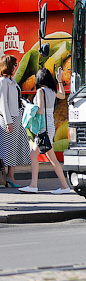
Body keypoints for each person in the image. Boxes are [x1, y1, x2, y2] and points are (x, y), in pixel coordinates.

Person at [19, 67, 71, 194]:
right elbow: (62, 95)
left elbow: (40, 110)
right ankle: (61, 186)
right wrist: (59, 80)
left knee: (42, 157)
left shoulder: (40, 91)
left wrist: (27, 105)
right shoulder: (52, 91)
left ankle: (36, 185)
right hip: (49, 127)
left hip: (44, 128)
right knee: (41, 156)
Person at [0, 54, 30, 188]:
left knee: (13, 148)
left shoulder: (11, 80)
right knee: (7, 149)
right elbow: (2, 103)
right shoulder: (3, 81)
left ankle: (10, 176)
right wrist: (8, 122)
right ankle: (8, 177)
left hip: (16, 117)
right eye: (14, 64)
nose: (16, 67)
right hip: (9, 118)